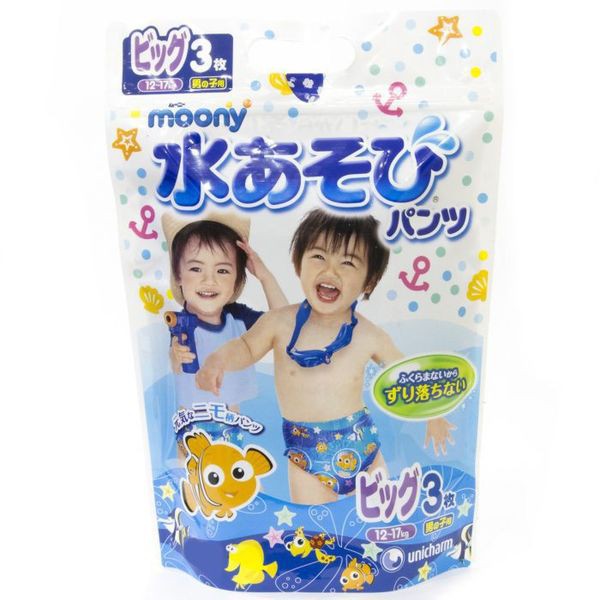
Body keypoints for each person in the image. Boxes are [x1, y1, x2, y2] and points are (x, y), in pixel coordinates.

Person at [195, 209, 456, 504]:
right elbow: (245, 347)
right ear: (299, 264)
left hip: (363, 449)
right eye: (319, 256)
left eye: (348, 262)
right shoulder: (279, 323)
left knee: (373, 519)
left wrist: (433, 414)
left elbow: (405, 376)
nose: (330, 271)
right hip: (306, 454)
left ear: (369, 281)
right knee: (315, 525)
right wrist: (218, 360)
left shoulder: (369, 335)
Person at [162, 212, 287, 452]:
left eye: (222, 271)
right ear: (178, 275)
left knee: (232, 471)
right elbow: (175, 360)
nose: (209, 280)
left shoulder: (238, 318)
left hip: (232, 426)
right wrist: (175, 354)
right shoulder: (180, 323)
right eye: (196, 268)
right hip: (190, 426)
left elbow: (284, 324)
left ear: (237, 279)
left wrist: (264, 276)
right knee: (189, 471)